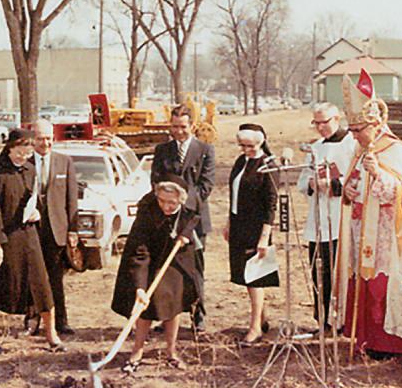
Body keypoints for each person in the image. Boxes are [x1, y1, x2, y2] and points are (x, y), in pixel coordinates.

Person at [334, 68, 402, 357]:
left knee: (381, 281)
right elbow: (351, 183)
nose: (354, 136)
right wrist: (349, 190)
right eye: (352, 131)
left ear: (374, 124)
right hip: (360, 228)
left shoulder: (394, 148)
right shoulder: (359, 148)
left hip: (385, 233)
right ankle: (365, 337)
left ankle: (390, 342)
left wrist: (379, 174)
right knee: (363, 281)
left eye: (358, 130)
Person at [0, 129, 65, 354]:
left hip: (27, 234)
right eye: (19, 153)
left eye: (27, 154)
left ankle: (51, 333)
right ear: (10, 147)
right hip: (1, 237)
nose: (23, 158)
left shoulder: (31, 169)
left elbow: (35, 199)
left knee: (41, 284)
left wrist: (38, 213)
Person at [111, 175, 202, 372]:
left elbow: (193, 221)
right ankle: (137, 352)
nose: (166, 206)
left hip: (176, 261)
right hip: (149, 260)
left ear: (180, 200)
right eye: (161, 200)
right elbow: (140, 253)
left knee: (173, 304)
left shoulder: (188, 212)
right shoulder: (147, 214)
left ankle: (171, 352)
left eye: (171, 202)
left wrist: (185, 236)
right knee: (146, 305)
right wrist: (140, 288)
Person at [151, 104, 215, 332]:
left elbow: (205, 187)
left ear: (193, 126)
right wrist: (167, 203)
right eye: (174, 126)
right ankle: (168, 315)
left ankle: (198, 316)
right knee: (166, 268)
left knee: (195, 270)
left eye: (183, 127)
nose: (178, 131)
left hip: (195, 221)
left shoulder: (205, 150)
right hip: (167, 218)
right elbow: (156, 181)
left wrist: (181, 202)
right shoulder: (162, 150)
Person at [297, 103, 356, 329]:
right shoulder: (316, 147)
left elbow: (356, 180)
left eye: (325, 122)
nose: (320, 127)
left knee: (339, 270)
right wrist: (312, 183)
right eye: (316, 123)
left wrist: (332, 184)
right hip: (319, 218)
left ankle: (343, 319)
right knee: (319, 272)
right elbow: (303, 179)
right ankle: (323, 320)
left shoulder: (351, 144)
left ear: (337, 118)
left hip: (341, 216)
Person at [223, 124, 279, 345]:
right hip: (238, 224)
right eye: (242, 146)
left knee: (255, 277)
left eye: (250, 146)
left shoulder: (268, 165)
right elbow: (234, 193)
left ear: (260, 142)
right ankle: (262, 317)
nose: (245, 150)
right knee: (246, 277)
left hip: (257, 228)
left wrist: (264, 237)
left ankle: (255, 327)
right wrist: (229, 221)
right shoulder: (240, 162)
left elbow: (271, 205)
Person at [25, 119, 78, 335]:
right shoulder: (25, 163)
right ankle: (32, 320)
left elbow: (71, 199)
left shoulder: (64, 162)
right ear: (32, 140)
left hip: (57, 230)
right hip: (32, 229)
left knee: (56, 278)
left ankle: (61, 321)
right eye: (40, 139)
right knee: (33, 276)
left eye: (48, 139)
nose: (45, 143)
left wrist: (72, 230)